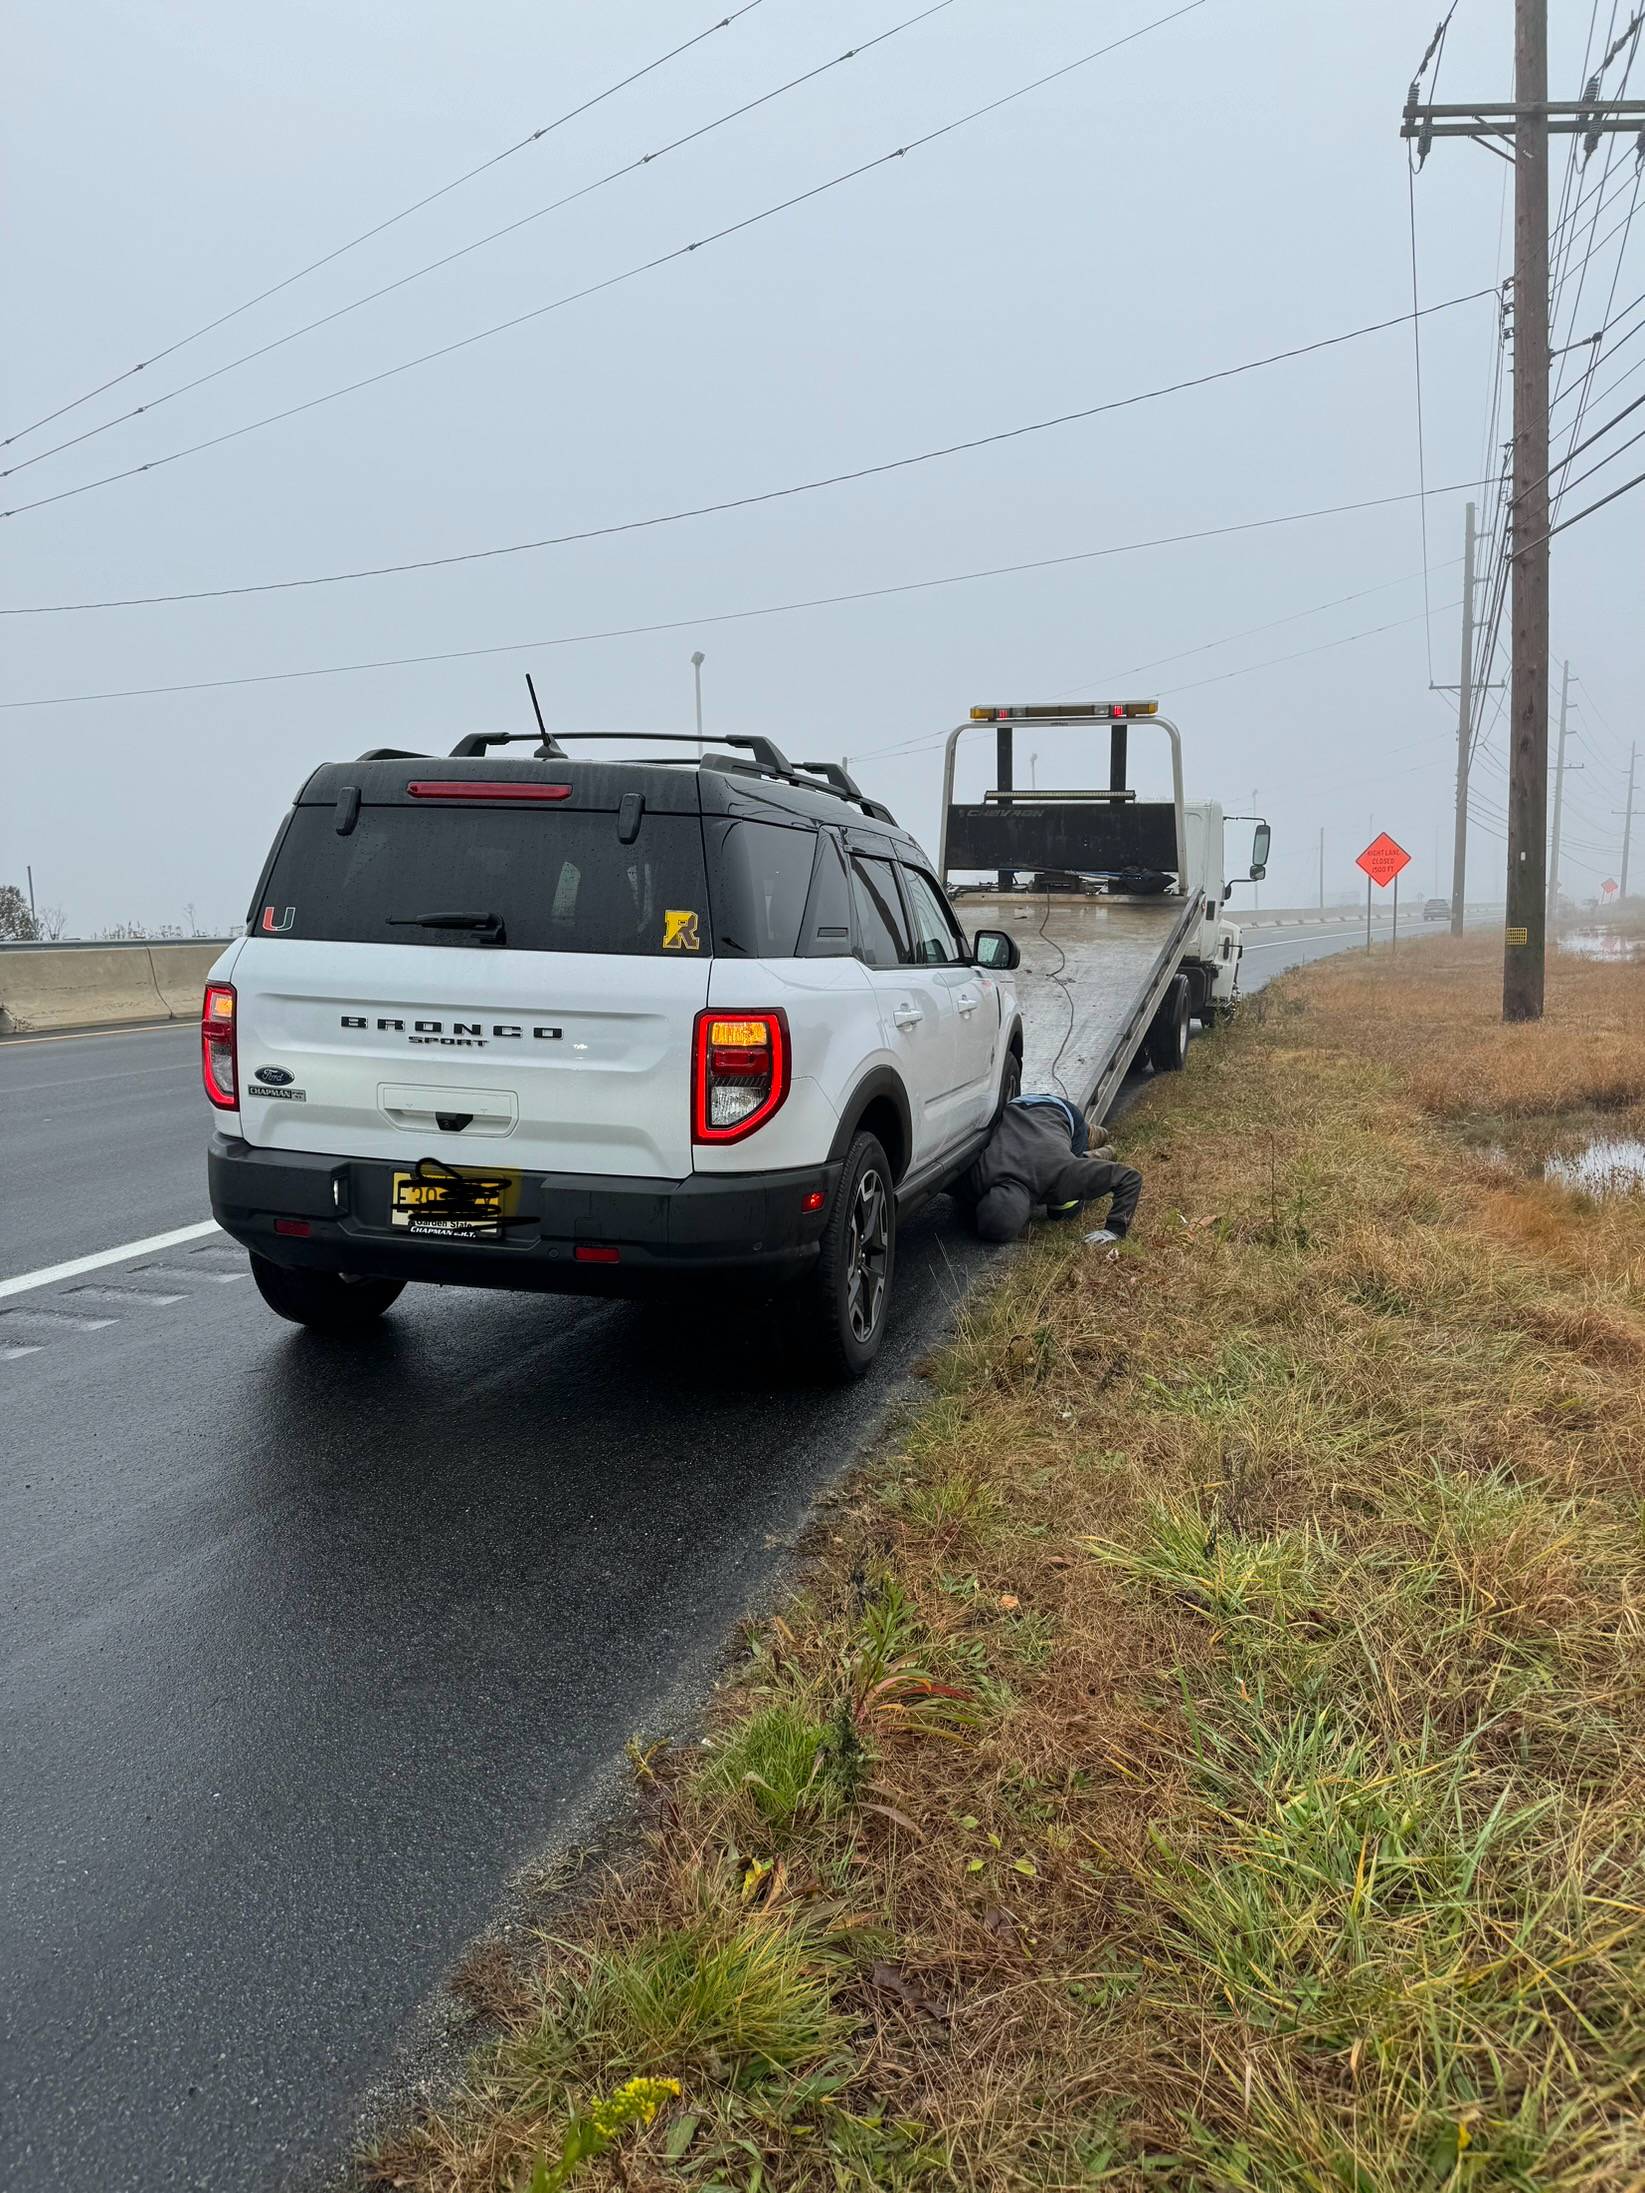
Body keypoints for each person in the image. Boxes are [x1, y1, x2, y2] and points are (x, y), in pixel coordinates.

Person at [960, 1091, 1142, 1246]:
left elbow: (1129, 1178)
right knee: (1063, 1161)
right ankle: (1084, 1151)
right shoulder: (978, 1177)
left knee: (1063, 1211)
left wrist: (1115, 1230)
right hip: (1020, 1106)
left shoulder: (1062, 1176)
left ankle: (1101, 1144)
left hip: (1061, 1111)